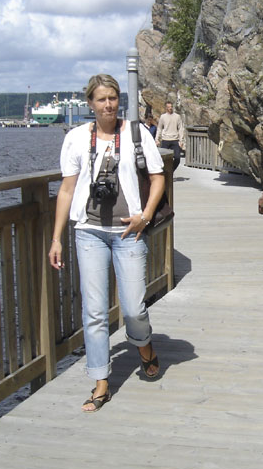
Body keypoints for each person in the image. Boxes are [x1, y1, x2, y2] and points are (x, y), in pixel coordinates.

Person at [49, 73, 165, 412]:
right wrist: (56, 238)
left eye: (113, 98)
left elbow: (158, 178)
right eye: (101, 99)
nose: (108, 104)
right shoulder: (75, 138)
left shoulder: (135, 133)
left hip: (129, 233)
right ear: (90, 103)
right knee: (95, 312)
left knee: (133, 308)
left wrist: (145, 215)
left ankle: (143, 344)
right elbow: (67, 190)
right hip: (89, 232)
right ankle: (100, 381)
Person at [155, 101, 185, 169]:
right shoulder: (163, 117)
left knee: (177, 158)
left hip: (175, 139)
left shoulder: (177, 116)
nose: (170, 108)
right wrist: (157, 139)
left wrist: (181, 140)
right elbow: (159, 128)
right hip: (165, 139)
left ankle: (171, 170)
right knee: (163, 159)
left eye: (171, 107)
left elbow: (180, 128)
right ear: (166, 108)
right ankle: (164, 172)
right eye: (168, 107)